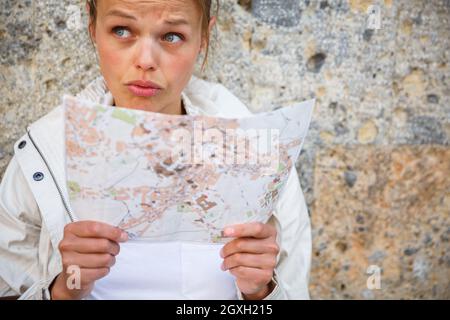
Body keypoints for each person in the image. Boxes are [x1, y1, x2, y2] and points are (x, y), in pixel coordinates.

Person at [0, 0, 311, 300]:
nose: (146, 60)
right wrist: (64, 291)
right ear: (93, 26)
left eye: (172, 36)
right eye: (122, 30)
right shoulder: (42, 156)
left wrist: (260, 291)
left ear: (202, 39)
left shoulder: (261, 158)